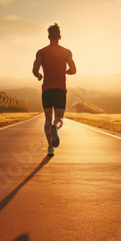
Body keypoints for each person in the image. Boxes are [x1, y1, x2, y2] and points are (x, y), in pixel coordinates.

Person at [33, 23, 77, 157]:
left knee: (47, 119)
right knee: (58, 118)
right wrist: (65, 72)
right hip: (60, 90)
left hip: (47, 90)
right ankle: (56, 127)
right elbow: (74, 70)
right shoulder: (66, 52)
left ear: (48, 37)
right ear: (60, 37)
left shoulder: (41, 52)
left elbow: (35, 70)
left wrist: (39, 75)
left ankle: (50, 148)